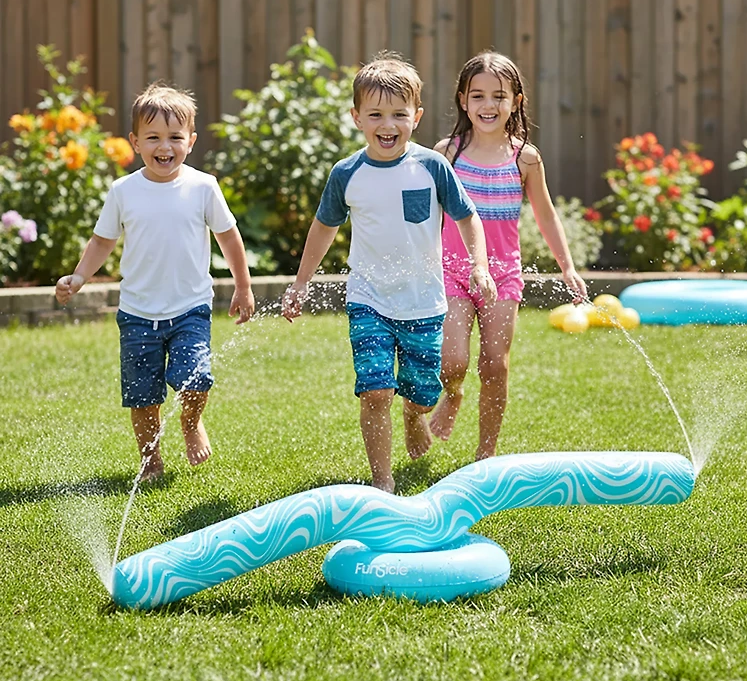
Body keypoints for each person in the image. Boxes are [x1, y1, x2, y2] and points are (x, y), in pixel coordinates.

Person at [281, 52, 497, 493]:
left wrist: (479, 265)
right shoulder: (348, 174)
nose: (388, 124)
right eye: (376, 114)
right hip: (369, 299)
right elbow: (323, 228)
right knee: (375, 389)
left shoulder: (431, 167)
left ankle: (414, 415)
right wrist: (300, 284)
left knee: (421, 392)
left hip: (423, 302)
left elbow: (467, 217)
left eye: (399, 114)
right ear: (356, 116)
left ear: (415, 117)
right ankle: (383, 481)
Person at [55, 82, 255, 481]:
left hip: (190, 309)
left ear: (191, 141)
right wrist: (79, 276)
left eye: (175, 138)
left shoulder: (203, 187)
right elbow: (102, 240)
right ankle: (151, 460)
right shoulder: (124, 191)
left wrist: (243, 286)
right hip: (137, 314)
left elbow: (228, 236)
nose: (165, 147)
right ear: (135, 142)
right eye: (153, 138)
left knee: (196, 379)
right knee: (143, 396)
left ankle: (191, 421)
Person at [429, 52, 588, 460]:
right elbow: (426, 214)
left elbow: (546, 214)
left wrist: (567, 266)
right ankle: (453, 392)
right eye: (478, 95)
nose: (488, 105)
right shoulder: (447, 154)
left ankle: (486, 455)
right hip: (453, 271)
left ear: (516, 101)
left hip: (502, 276)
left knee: (495, 365)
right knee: (453, 360)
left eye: (498, 96)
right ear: (463, 100)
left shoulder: (525, 158)